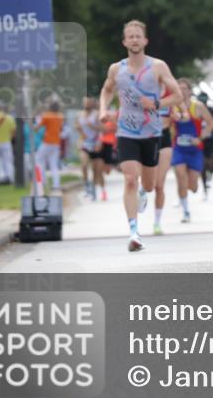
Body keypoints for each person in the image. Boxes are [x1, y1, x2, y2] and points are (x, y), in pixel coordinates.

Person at [99, 20, 182, 252]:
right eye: (130, 36)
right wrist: (103, 110)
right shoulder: (117, 69)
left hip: (152, 132)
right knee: (129, 178)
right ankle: (134, 232)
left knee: (149, 184)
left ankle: (143, 193)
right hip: (126, 131)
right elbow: (106, 90)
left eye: (138, 36)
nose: (134, 40)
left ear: (145, 41)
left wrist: (156, 103)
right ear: (124, 41)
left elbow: (176, 96)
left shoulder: (158, 66)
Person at [170, 78, 213, 224]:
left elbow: (210, 123)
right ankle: (186, 211)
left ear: (189, 91)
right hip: (179, 149)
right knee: (180, 176)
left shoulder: (198, 106)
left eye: (184, 88)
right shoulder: (173, 107)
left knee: (192, 186)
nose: (181, 91)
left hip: (195, 150)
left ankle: (192, 189)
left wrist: (201, 137)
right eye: (179, 88)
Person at [137, 84, 176, 234]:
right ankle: (142, 190)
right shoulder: (143, 93)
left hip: (164, 139)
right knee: (150, 185)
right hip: (146, 138)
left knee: (159, 185)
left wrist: (179, 116)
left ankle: (157, 223)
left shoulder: (170, 94)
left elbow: (181, 111)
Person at [34, 101, 66, 193]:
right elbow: (61, 128)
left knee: (38, 160)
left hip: (47, 141)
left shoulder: (47, 115)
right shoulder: (60, 116)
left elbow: (38, 127)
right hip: (56, 142)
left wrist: (33, 126)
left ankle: (42, 181)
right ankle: (56, 184)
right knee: (53, 164)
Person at [76, 97, 104, 200]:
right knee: (83, 164)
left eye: (88, 103)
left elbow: (103, 129)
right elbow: (76, 126)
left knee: (95, 169)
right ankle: (86, 186)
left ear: (92, 103)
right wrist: (80, 131)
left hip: (95, 143)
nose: (87, 104)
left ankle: (93, 188)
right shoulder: (79, 115)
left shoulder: (96, 114)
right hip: (84, 143)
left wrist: (92, 126)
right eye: (85, 103)